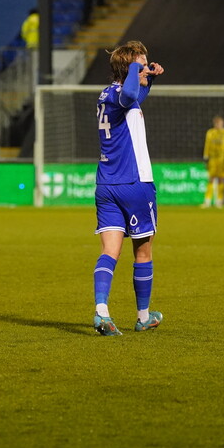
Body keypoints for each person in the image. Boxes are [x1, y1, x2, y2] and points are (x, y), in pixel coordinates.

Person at [92, 41, 165, 336]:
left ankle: (101, 311)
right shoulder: (125, 93)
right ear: (129, 69)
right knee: (143, 252)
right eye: (142, 64)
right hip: (135, 183)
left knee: (110, 251)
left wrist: (151, 79)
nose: (147, 67)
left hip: (106, 184)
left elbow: (134, 96)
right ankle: (143, 316)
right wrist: (137, 70)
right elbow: (132, 92)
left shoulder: (108, 94)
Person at [201, 116, 224, 209]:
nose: (218, 125)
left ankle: (219, 202)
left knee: (221, 179)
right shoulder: (210, 133)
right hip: (213, 160)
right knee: (211, 179)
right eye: (216, 123)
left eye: (219, 123)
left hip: (222, 160)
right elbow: (207, 145)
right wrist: (206, 156)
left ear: (222, 124)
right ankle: (207, 201)